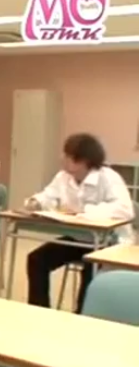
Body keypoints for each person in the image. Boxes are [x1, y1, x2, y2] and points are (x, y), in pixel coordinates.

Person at [24, 133, 134, 313]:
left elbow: (125, 209)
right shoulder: (63, 177)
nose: (63, 159)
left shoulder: (108, 177)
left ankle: (81, 316)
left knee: (91, 268)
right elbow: (48, 195)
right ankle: (40, 311)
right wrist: (36, 202)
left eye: (68, 155)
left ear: (83, 160)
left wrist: (86, 211)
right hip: (79, 238)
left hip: (109, 241)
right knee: (37, 259)